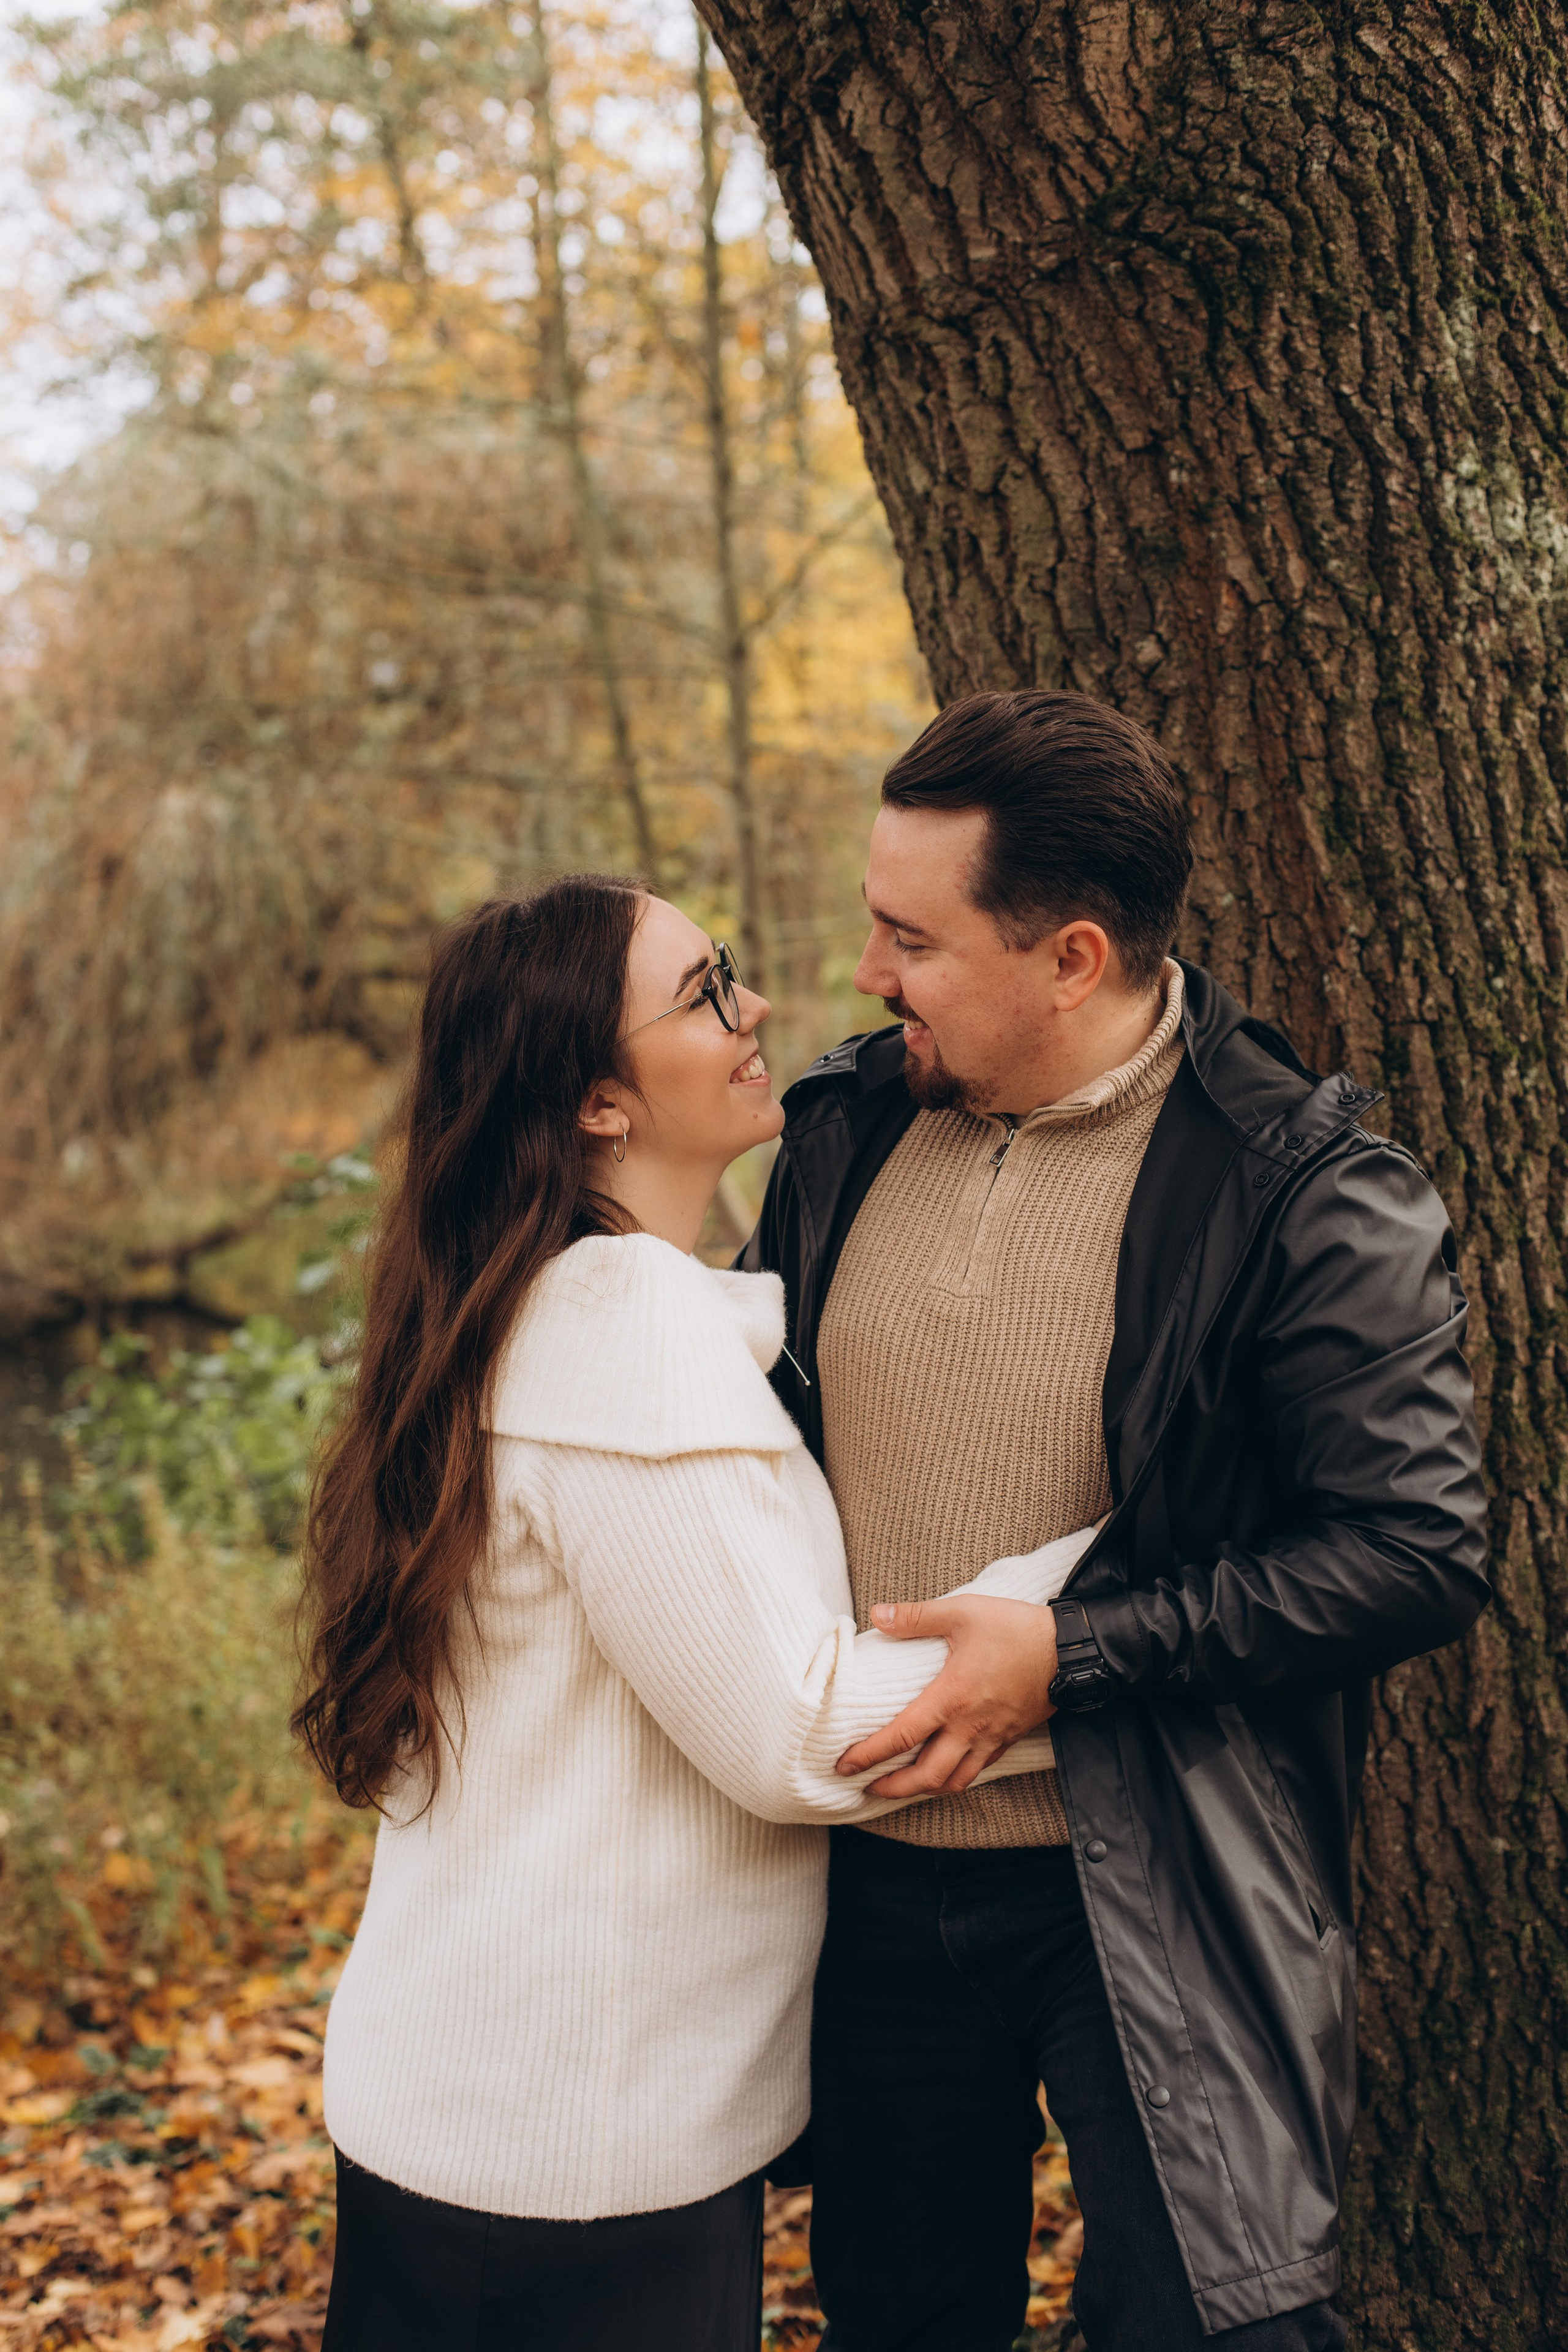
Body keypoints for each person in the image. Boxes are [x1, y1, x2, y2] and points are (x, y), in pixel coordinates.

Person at [741, 689, 1491, 2352]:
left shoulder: (1301, 1185)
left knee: (1205, 2329)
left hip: (1149, 1879)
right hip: (857, 1891)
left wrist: (1069, 1657)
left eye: (909, 937)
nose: (869, 973)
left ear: (1072, 958)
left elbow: (1418, 1547)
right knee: (899, 2323)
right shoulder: (844, 1134)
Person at [293, 873, 1096, 2352]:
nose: (760, 1011)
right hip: (567, 2157)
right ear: (600, 1101)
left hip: (498, 2116)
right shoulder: (621, 1331)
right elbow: (793, 1733)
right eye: (704, 992)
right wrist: (1097, 1606)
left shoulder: (535, 1299)